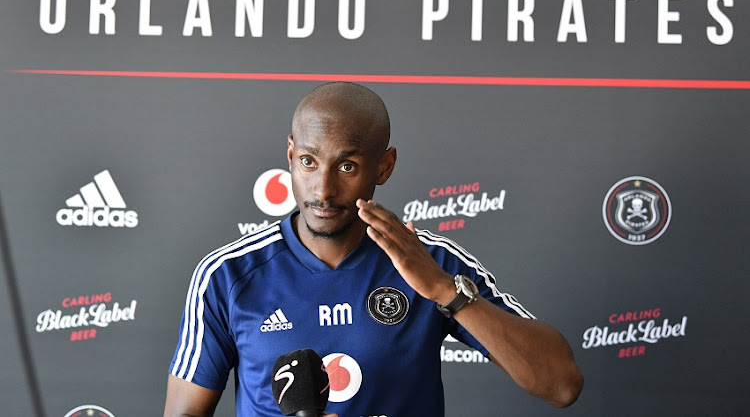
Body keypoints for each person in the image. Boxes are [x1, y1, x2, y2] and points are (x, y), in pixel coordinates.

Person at [163, 82, 583, 416]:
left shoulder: (432, 261)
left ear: (384, 166)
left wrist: (444, 292)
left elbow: (562, 385)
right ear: (290, 155)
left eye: (347, 166)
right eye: (309, 161)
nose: (323, 189)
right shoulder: (227, 276)